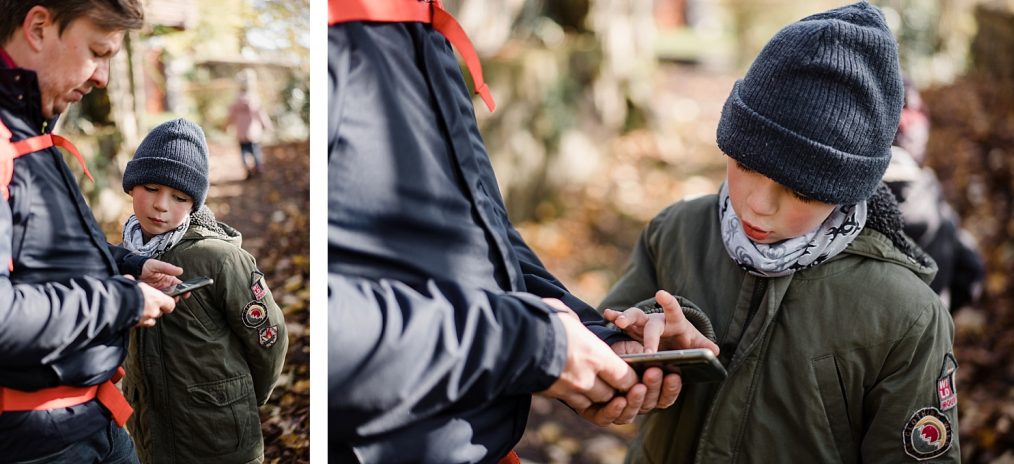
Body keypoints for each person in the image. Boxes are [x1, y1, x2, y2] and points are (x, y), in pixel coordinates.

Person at [327, 1, 711, 462]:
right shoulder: (336, 34)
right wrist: (534, 346)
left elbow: (483, 234)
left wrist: (593, 340)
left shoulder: (418, 24)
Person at [600, 3, 960, 462]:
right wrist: (637, 340)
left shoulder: (906, 317)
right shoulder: (675, 232)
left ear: (845, 192)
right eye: (745, 164)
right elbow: (598, 344)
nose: (758, 205)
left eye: (801, 192)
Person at [0, 1, 183, 462]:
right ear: (39, 27)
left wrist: (130, 266)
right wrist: (123, 301)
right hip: (41, 444)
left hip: (93, 424)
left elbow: (38, 251)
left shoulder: (28, 125)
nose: (102, 76)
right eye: (98, 51)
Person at [118, 118, 288, 463]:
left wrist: (239, 399)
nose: (161, 205)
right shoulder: (123, 255)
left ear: (194, 203)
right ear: (131, 185)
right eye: (151, 189)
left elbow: (269, 339)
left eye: (179, 197)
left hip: (217, 435)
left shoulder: (220, 259)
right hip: (149, 429)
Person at [884, 78, 984, 312]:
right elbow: (972, 272)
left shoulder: (845, 203)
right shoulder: (937, 209)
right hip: (928, 340)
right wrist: (941, 313)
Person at [225, 69, 272, 179]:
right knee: (255, 150)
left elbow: (231, 115)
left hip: (241, 133)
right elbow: (261, 114)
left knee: (244, 151)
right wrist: (267, 125)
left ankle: (247, 168)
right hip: (254, 132)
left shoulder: (236, 100)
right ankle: (258, 167)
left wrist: (226, 125)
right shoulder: (254, 99)